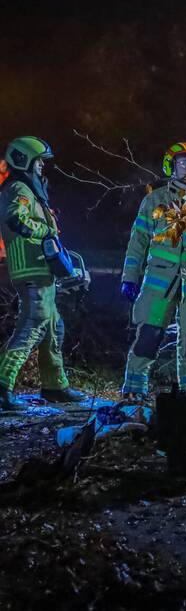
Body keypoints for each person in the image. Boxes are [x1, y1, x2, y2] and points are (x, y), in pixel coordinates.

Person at [120, 142, 186, 399]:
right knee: (149, 336)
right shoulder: (155, 200)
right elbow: (138, 242)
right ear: (170, 167)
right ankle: (134, 391)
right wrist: (130, 277)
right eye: (182, 162)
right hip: (158, 282)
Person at [0, 137, 85, 410]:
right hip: (30, 268)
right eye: (38, 162)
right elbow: (16, 218)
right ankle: (2, 387)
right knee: (32, 325)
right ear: (24, 160)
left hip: (42, 270)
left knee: (53, 327)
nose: (41, 167)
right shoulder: (18, 188)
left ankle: (55, 387)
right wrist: (44, 231)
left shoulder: (30, 190)